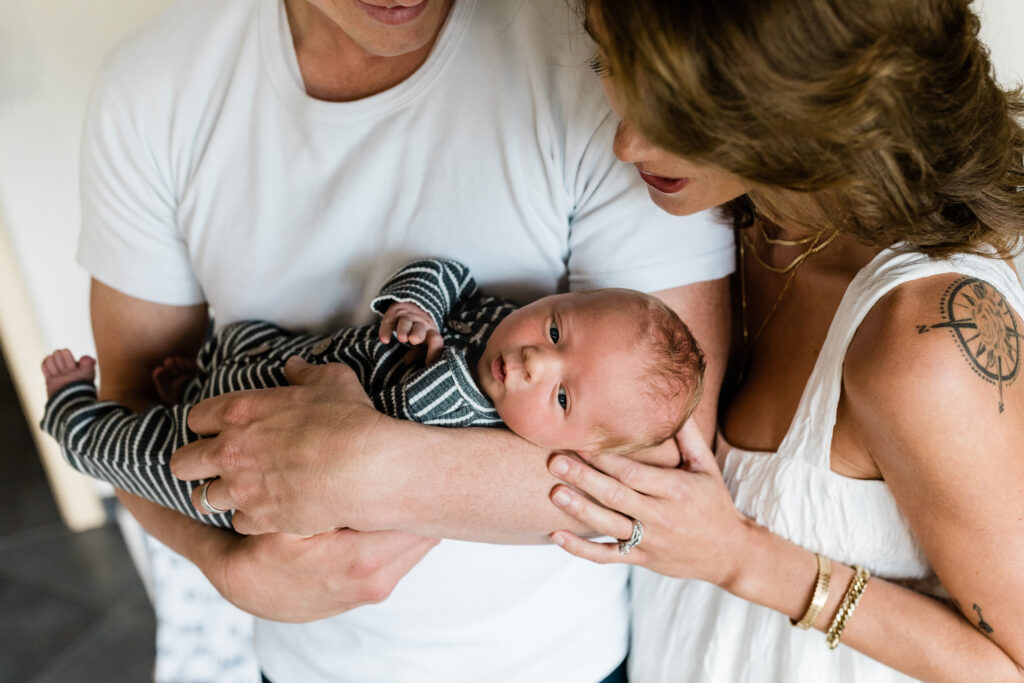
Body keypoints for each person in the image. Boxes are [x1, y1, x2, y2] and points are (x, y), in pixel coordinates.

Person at [79, 0, 734, 680]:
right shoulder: (152, 88)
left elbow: (663, 464)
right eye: (552, 331)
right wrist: (226, 568)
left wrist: (368, 468)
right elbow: (129, 396)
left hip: (559, 661)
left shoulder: (598, 58)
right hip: (306, 663)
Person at [543, 0, 1024, 681]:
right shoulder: (730, 220)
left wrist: (740, 557)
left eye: (684, 115)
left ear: (812, 101)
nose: (628, 144)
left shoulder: (926, 344)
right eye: (607, 63)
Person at [42, 258, 704, 527]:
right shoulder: (497, 317)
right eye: (556, 329)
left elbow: (411, 413)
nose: (535, 361)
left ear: (579, 446)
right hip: (281, 363)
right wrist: (417, 305)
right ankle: (190, 383)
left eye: (562, 398)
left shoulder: (483, 418)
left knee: (153, 453)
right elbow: (446, 273)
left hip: (248, 470)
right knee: (240, 337)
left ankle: (72, 418)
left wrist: (440, 354)